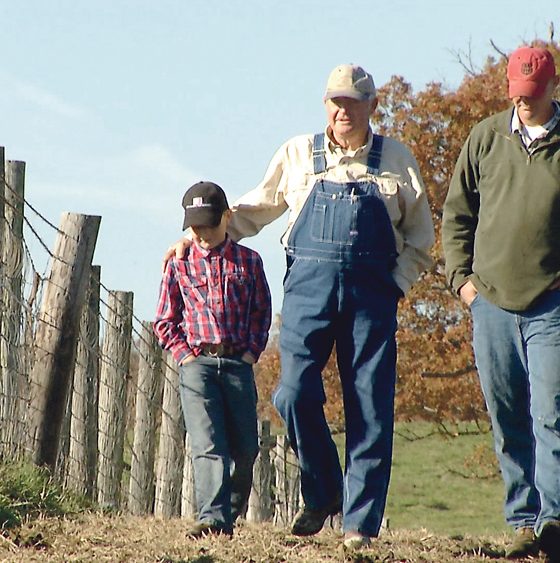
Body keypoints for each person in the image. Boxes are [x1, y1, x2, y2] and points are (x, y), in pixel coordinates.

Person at [165, 64, 435, 550]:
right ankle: (325, 486)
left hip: (373, 295)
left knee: (370, 408)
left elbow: (420, 236)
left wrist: (396, 284)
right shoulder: (297, 154)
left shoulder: (396, 159)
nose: (342, 110)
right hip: (308, 292)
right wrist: (197, 237)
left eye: (353, 102)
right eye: (335, 101)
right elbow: (249, 212)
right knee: (291, 393)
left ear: (372, 105)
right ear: (325, 104)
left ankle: (359, 526)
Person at [441, 46, 560, 563]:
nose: (524, 103)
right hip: (492, 304)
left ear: (552, 88)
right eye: (516, 95)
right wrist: (463, 283)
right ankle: (522, 520)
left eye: (533, 94)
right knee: (507, 418)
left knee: (550, 415)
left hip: (553, 307)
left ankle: (554, 524)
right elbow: (457, 214)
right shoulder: (485, 138)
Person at [154, 181, 272, 539]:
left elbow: (261, 312)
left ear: (227, 217)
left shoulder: (249, 262)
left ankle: (229, 514)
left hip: (238, 364)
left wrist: (251, 352)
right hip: (198, 365)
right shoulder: (179, 263)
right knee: (208, 443)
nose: (203, 235)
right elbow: (165, 319)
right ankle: (212, 519)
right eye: (195, 228)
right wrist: (186, 356)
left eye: (210, 225)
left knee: (246, 448)